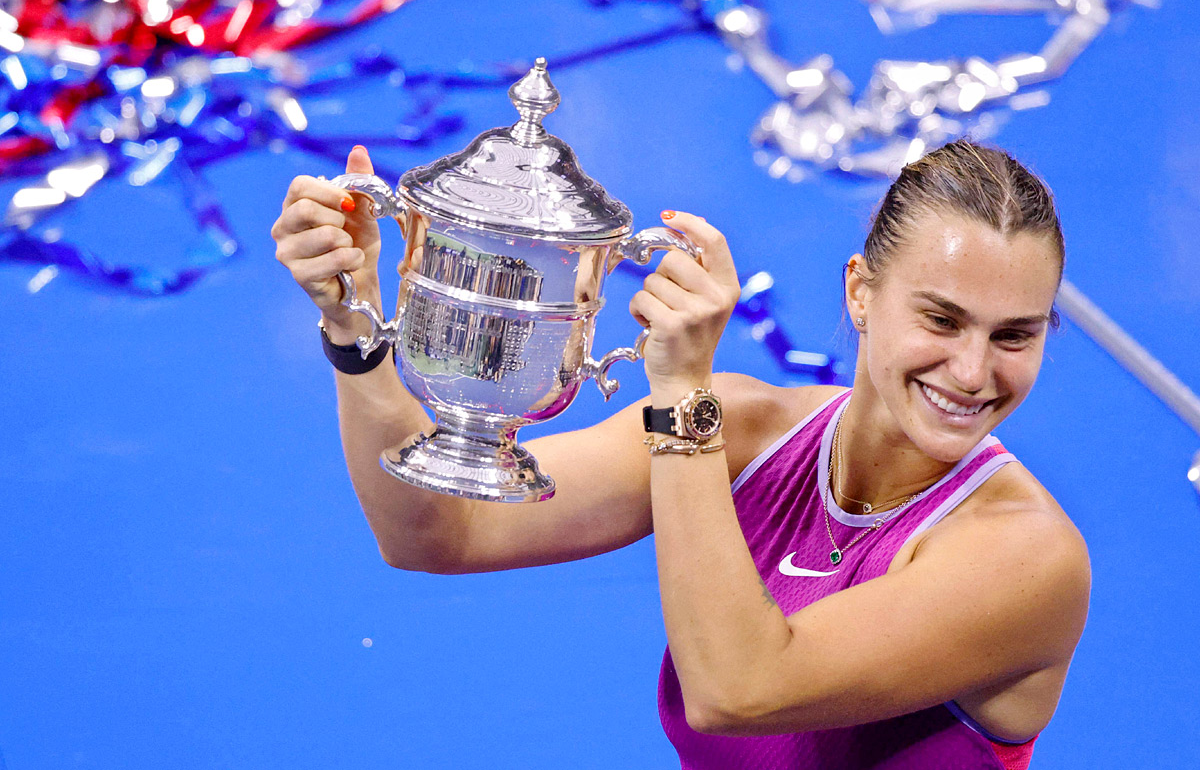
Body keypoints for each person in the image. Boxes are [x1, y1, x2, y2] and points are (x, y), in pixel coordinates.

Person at [271, 139, 1090, 769]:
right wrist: (355, 328)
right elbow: (436, 534)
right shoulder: (742, 430)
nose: (975, 371)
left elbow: (738, 689)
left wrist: (680, 395)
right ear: (859, 292)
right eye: (942, 320)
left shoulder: (1027, 558)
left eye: (1015, 334)